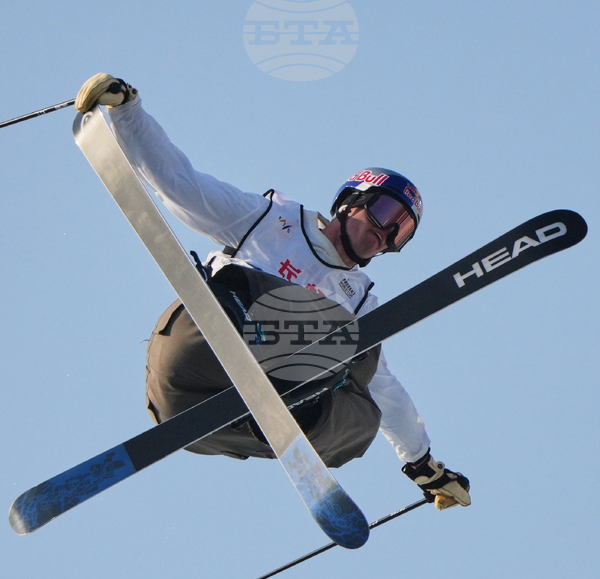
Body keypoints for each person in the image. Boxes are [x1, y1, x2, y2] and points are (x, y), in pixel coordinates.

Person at [76, 74, 470, 510]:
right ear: (351, 200)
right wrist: (127, 110)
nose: (386, 234)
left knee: (363, 407)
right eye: (385, 213)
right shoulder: (271, 220)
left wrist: (421, 462)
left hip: (205, 417)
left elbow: (388, 394)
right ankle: (269, 364)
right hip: (197, 351)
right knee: (350, 333)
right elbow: (180, 184)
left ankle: (293, 412)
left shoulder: (358, 298)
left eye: (401, 233)